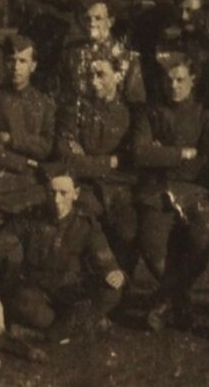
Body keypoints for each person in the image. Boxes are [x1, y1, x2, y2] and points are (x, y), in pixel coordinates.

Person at [133, 53, 209, 332]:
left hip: (193, 191)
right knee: (152, 247)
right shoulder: (150, 112)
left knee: (203, 241)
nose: (174, 86)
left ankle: (163, 301)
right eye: (169, 80)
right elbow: (140, 153)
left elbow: (206, 159)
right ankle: (179, 300)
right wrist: (181, 153)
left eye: (181, 80)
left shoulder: (205, 114)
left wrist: (161, 154)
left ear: (193, 80)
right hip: (156, 190)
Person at [2, 166, 125, 340]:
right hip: (37, 289)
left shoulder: (86, 223)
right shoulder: (30, 217)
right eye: (51, 193)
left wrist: (113, 272)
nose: (56, 200)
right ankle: (77, 325)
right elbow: (2, 243)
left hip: (72, 289)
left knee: (111, 291)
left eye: (63, 193)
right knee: (22, 303)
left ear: (76, 194)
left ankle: (50, 334)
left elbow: (104, 258)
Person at [55, 53, 139, 281]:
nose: (93, 82)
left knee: (127, 232)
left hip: (121, 188)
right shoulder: (75, 109)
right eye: (89, 75)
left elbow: (132, 158)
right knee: (81, 227)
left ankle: (120, 287)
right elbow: (67, 157)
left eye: (101, 75)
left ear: (118, 75)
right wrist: (107, 161)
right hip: (86, 187)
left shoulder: (131, 113)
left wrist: (87, 159)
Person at [0, 34, 55, 234]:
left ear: (33, 66)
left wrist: (12, 140)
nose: (16, 67)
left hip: (30, 183)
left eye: (23, 61)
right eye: (11, 60)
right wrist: (25, 162)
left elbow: (46, 147)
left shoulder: (45, 104)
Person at [57, 0, 146, 106]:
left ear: (110, 22)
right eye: (87, 19)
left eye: (98, 18)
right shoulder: (70, 54)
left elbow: (137, 106)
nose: (92, 23)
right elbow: (60, 96)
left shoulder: (128, 59)